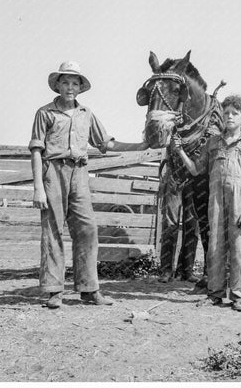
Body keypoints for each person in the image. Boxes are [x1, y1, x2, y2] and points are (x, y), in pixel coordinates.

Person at [29, 61, 149, 309]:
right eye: (65, 82)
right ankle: (54, 291)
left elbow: (107, 144)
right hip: (53, 172)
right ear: (57, 85)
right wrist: (38, 187)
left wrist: (142, 146)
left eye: (75, 83)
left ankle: (89, 288)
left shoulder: (87, 114)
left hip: (80, 173)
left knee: (88, 229)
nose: (70, 87)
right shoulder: (45, 113)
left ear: (81, 87)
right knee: (52, 230)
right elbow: (36, 151)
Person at [172, 95, 241, 311]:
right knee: (215, 247)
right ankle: (215, 293)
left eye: (235, 113)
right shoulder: (212, 143)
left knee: (239, 249)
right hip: (216, 200)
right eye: (226, 112)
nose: (229, 117)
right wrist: (180, 150)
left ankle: (238, 295)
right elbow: (195, 169)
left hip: (239, 199)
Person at [158, 141, 209, 287]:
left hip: (195, 182)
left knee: (192, 226)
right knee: (170, 224)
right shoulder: (175, 129)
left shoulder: (203, 128)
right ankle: (166, 270)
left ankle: (186, 271)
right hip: (174, 179)